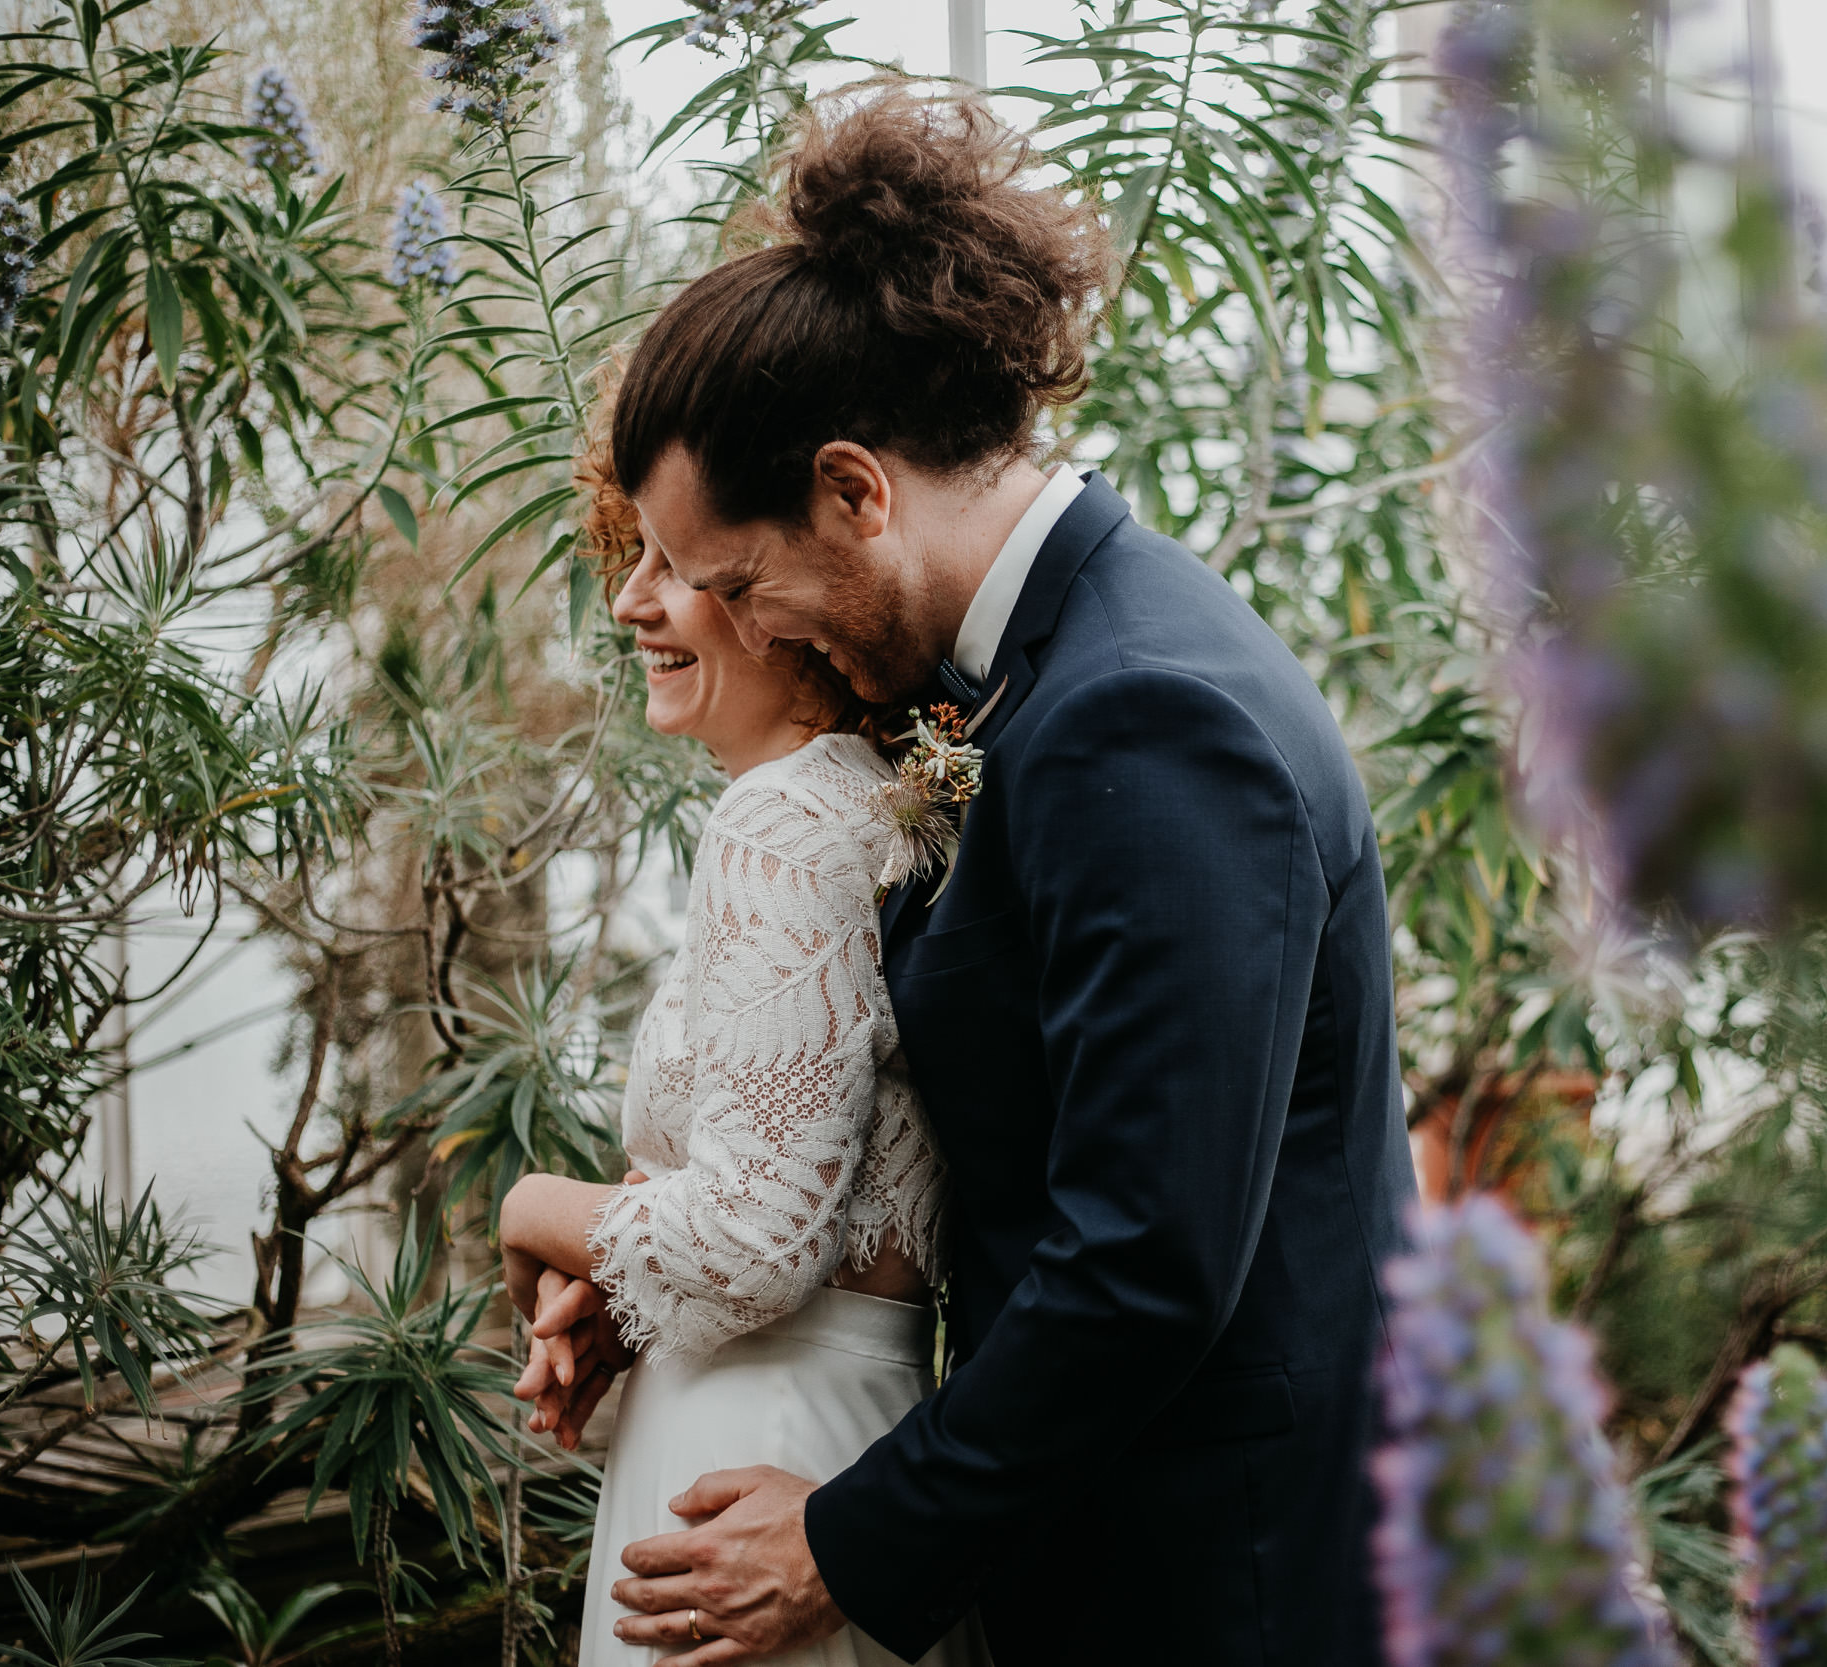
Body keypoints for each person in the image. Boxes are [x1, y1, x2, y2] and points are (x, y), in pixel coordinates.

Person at [528, 83, 1414, 1666]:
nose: (749, 622)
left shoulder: (1146, 711)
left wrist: (845, 1544)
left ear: (857, 491)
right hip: (1096, 1545)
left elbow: (1142, 1259)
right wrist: (660, 1265)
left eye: (740, 577)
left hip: (1219, 1587)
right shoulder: (1037, 681)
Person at [496, 424, 980, 1667]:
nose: (631, 601)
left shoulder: (780, 823)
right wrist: (627, 1277)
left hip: (754, 1454)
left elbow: (754, 1243)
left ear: (787, 604)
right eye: (635, 556)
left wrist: (536, 1202)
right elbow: (809, 1172)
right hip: (822, 1416)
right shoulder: (873, 810)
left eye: (677, 564)